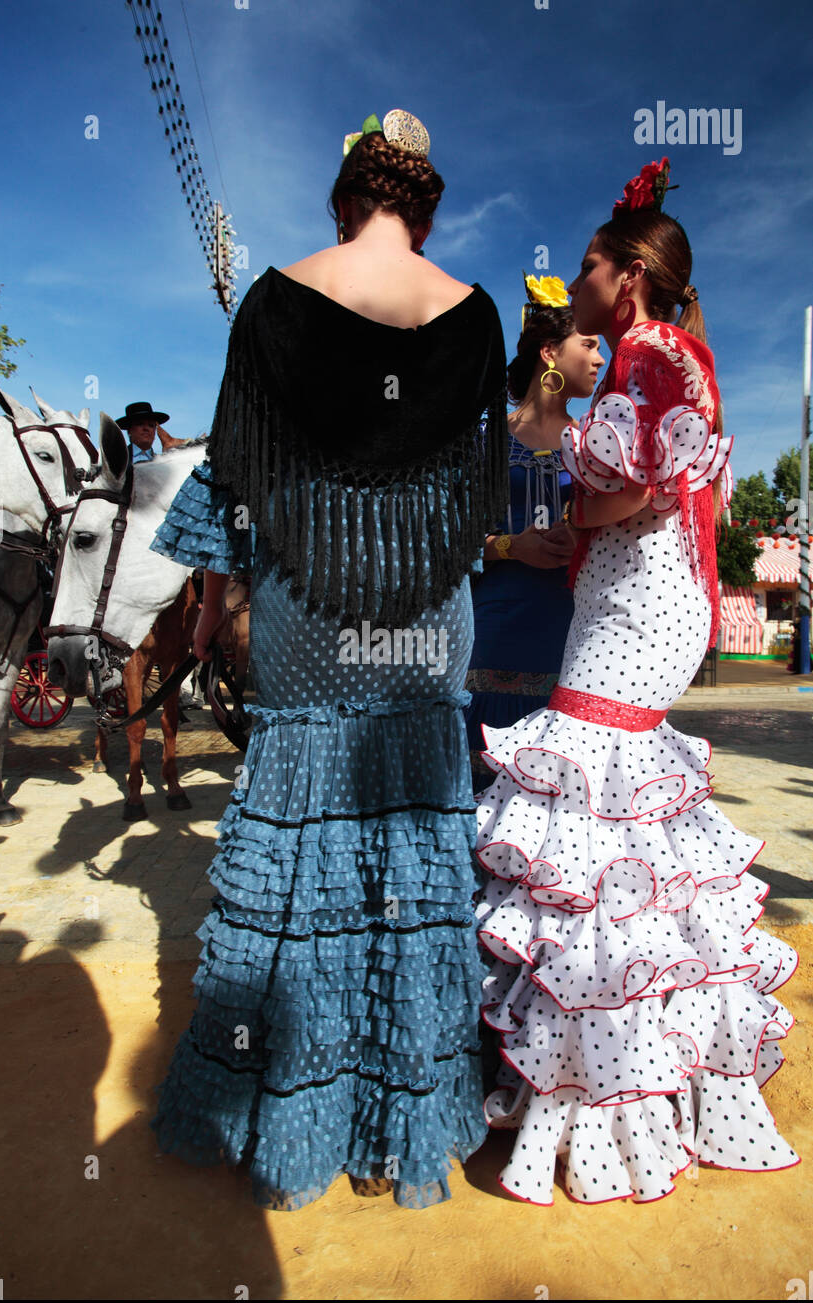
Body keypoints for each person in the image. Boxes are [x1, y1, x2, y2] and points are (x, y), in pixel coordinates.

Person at [148, 110, 508, 1208]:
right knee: (414, 851)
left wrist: (209, 616)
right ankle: (406, 1110)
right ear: (426, 207)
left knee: (303, 854)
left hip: (309, 605)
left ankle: (291, 1098)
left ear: (343, 200)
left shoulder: (270, 299)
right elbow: (474, 499)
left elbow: (233, 480)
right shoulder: (477, 316)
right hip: (426, 610)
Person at [474, 159, 798, 1205]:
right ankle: (635, 1066)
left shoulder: (648, 354)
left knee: (591, 805)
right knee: (613, 818)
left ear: (631, 277)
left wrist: (564, 468)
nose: (579, 285)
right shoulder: (675, 354)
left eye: (588, 268)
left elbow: (627, 492)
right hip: (646, 602)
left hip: (633, 606)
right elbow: (637, 488)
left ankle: (596, 1084)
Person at [465, 273, 603, 792]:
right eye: (587, 344)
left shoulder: (596, 442)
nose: (598, 357)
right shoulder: (483, 439)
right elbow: (443, 542)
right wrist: (509, 546)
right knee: (486, 795)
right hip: (493, 636)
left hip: (578, 641)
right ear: (549, 352)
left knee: (555, 806)